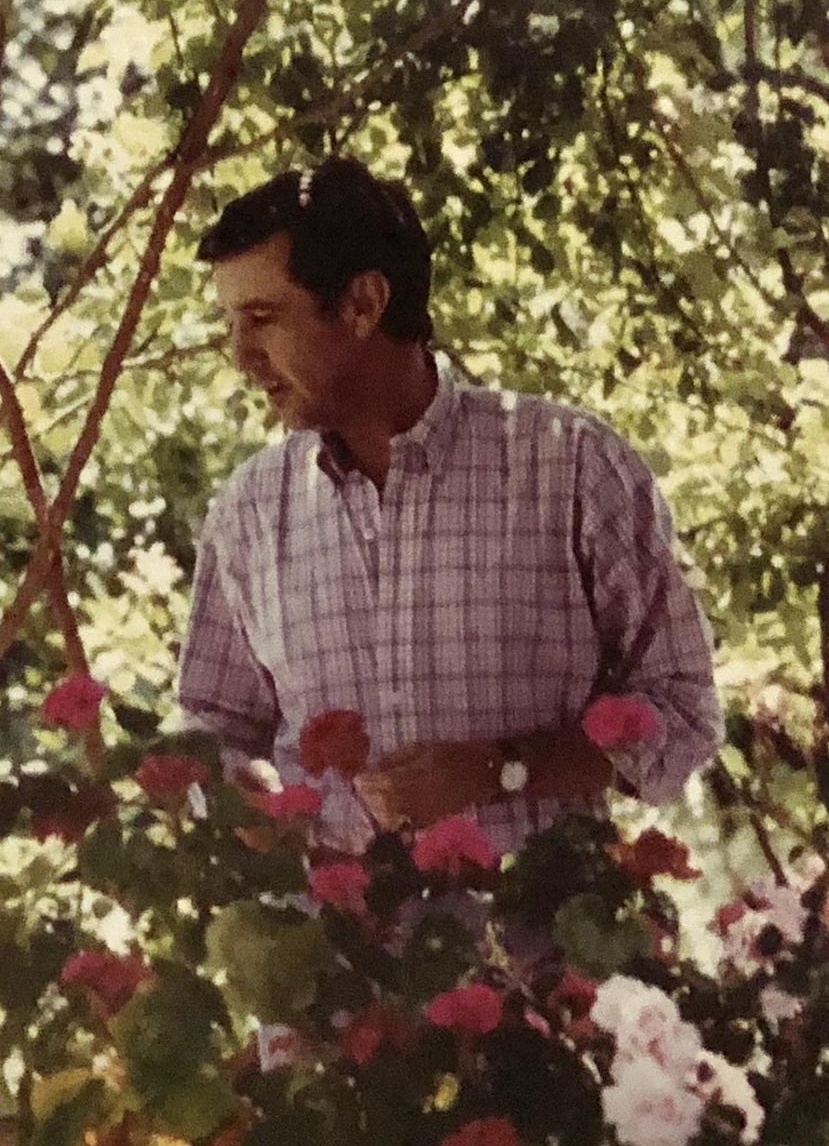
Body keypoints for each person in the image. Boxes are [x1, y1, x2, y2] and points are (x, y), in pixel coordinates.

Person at [178, 158, 721, 860]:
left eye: (262, 318)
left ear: (363, 304)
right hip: (335, 958)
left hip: (540, 958)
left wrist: (502, 768)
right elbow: (213, 728)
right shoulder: (248, 513)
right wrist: (247, 807)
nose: (241, 356)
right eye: (231, 323)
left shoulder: (571, 465)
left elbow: (683, 712)